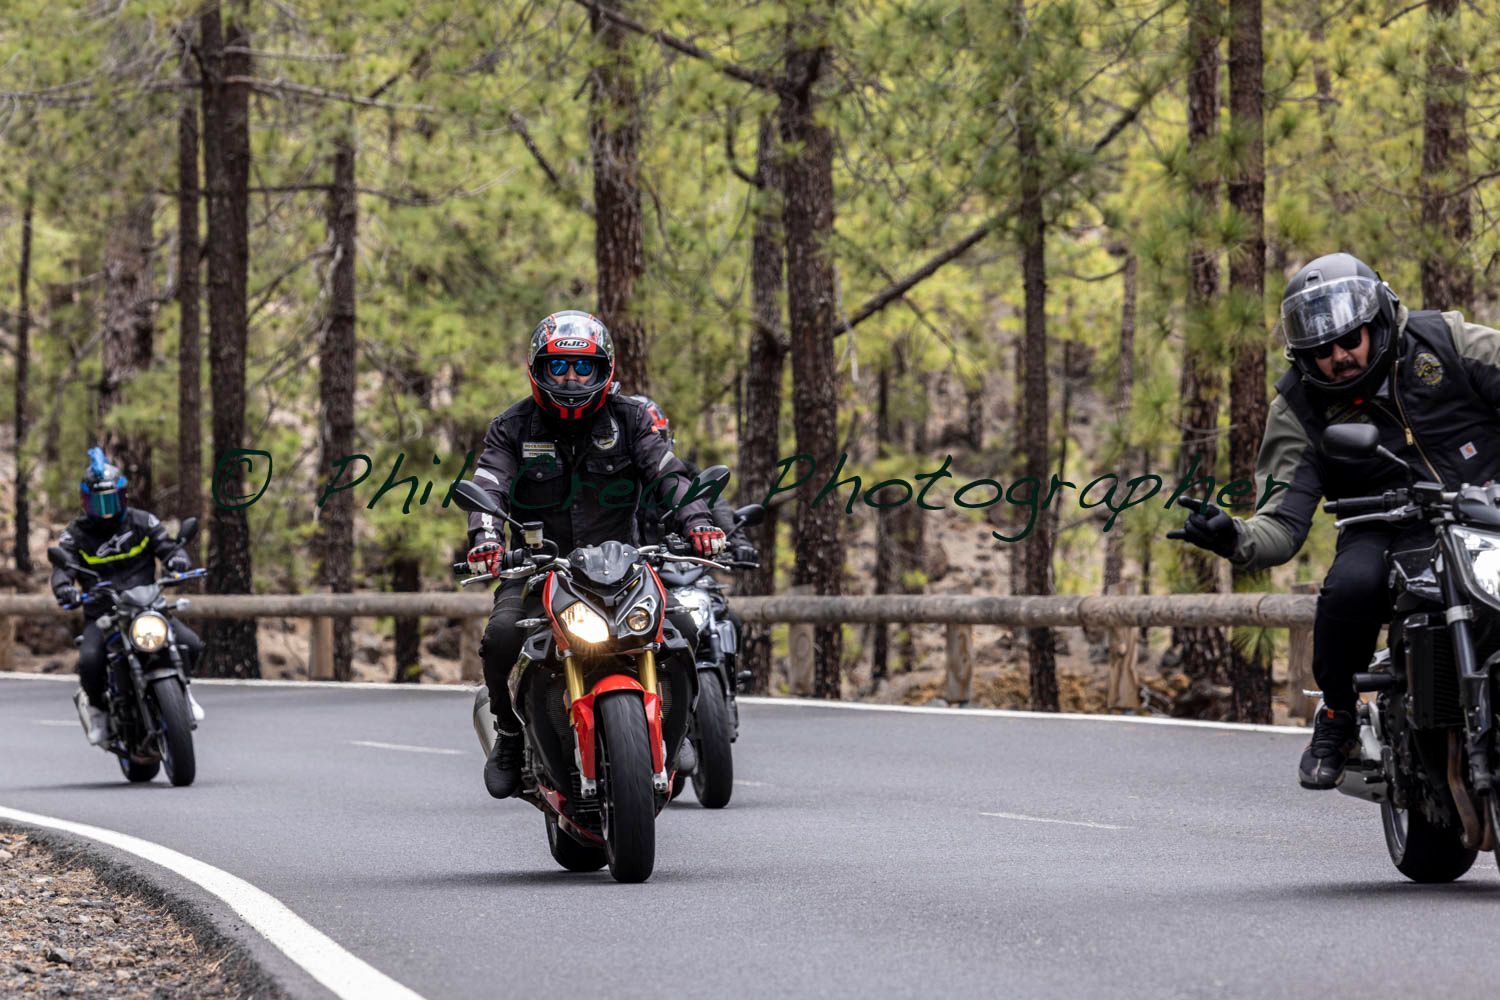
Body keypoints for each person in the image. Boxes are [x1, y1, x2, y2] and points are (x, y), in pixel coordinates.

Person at [1168, 251, 1500, 789]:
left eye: (1349, 340)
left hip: (1487, 511)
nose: (1338, 356)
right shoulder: (1299, 406)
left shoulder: (1447, 341)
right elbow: (1280, 520)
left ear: (1376, 324)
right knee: (1350, 586)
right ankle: (1339, 714)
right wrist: (1235, 536)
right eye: (1321, 349)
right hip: (1386, 525)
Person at [464, 311, 727, 799]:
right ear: (537, 369)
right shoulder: (511, 427)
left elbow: (668, 473)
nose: (570, 378)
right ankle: (509, 732)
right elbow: (489, 485)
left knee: (684, 631)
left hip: (622, 566)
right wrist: (485, 538)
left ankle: (681, 727)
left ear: (603, 369)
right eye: (559, 367)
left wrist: (699, 523)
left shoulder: (631, 419)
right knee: (501, 636)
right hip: (540, 566)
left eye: (583, 368)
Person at [51, 448, 204, 746]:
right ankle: (98, 711)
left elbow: (169, 546)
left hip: (148, 606)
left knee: (192, 644)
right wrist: (64, 589)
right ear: (86, 502)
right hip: (104, 613)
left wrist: (178, 560)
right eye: (99, 502)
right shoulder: (75, 535)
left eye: (111, 500)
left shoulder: (142, 521)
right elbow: (62, 568)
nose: (107, 510)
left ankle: (181, 692)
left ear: (122, 496)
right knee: (91, 661)